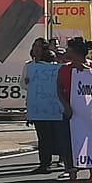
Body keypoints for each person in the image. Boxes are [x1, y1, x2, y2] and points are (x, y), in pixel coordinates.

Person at [57, 38, 92, 183]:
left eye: (69, 50)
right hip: (71, 114)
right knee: (69, 146)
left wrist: (86, 70)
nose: (66, 52)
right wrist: (66, 105)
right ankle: (73, 180)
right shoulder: (64, 69)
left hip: (90, 114)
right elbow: (59, 89)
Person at [25, 45, 62, 174]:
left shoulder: (60, 71)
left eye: (52, 59)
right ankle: (45, 163)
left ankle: (59, 160)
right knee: (43, 138)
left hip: (55, 111)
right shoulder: (33, 70)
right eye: (48, 59)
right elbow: (26, 89)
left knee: (54, 136)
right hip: (40, 111)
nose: (50, 63)